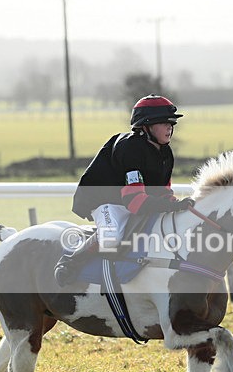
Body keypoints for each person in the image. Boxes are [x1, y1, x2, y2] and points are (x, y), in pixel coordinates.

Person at [54, 95, 195, 286]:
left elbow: (163, 191)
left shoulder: (165, 152)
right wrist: (171, 206)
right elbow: (135, 202)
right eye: (163, 123)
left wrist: (177, 206)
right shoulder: (131, 148)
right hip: (106, 200)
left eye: (171, 123)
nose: (170, 127)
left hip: (133, 200)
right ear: (145, 126)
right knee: (111, 239)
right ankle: (71, 260)